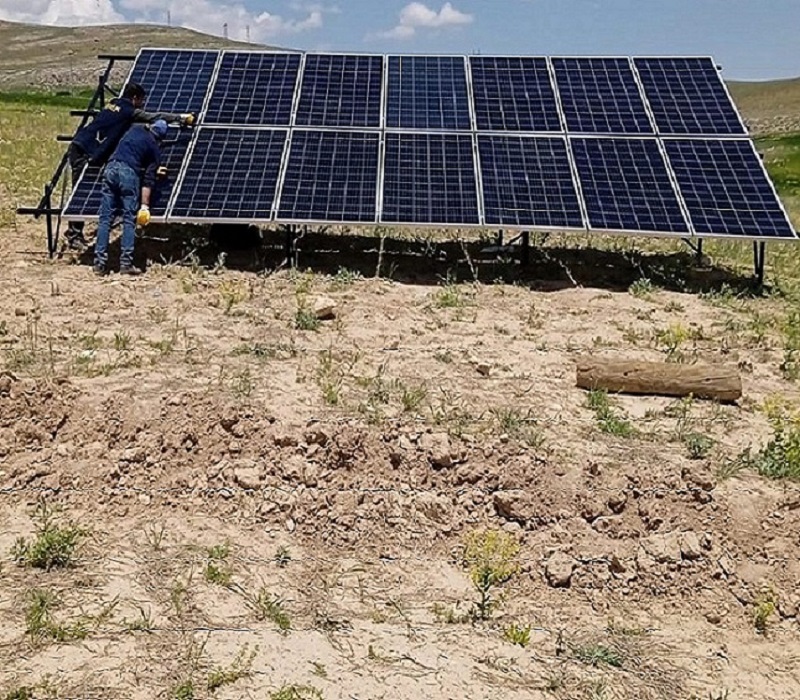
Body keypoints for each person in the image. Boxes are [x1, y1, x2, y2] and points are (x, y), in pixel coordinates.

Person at [66, 82, 194, 250]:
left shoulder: (113, 103)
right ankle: (74, 235)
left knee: (88, 187)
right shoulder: (128, 111)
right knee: (81, 191)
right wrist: (181, 118)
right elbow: (153, 117)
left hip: (80, 144)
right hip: (85, 151)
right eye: (141, 100)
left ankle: (77, 232)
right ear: (134, 99)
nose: (143, 104)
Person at [93, 119, 168, 276]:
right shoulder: (154, 148)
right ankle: (126, 264)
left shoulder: (135, 129)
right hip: (128, 173)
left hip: (110, 168)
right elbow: (148, 180)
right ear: (160, 138)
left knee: (105, 219)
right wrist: (144, 206)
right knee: (129, 219)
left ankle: (99, 264)